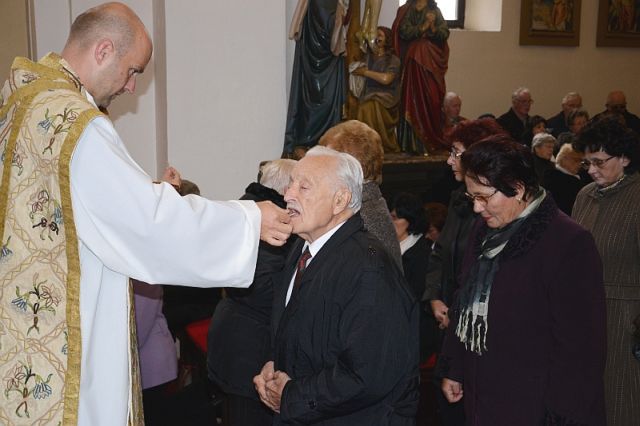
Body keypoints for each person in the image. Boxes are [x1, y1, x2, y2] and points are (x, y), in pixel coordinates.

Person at [0, 3, 292, 425]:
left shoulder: (23, 102)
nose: (132, 86)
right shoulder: (75, 124)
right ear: (103, 50)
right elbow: (149, 225)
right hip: (63, 342)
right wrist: (250, 220)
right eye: (132, 71)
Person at [440, 136, 606, 424]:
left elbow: (581, 348)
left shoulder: (568, 242)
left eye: (483, 197)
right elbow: (463, 297)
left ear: (517, 189)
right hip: (484, 394)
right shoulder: (484, 230)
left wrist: (559, 414)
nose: (477, 208)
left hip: (534, 403)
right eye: (472, 197)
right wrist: (455, 368)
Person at [254, 146, 420, 425]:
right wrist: (274, 368)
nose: (288, 194)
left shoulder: (369, 269)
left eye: (303, 187)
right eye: (291, 183)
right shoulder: (301, 248)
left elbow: (367, 374)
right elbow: (297, 330)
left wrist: (293, 396)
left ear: (340, 200)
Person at [425, 118, 506, 426]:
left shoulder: (496, 209)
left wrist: (458, 311)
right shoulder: (459, 199)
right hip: (449, 322)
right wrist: (435, 297)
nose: (449, 160)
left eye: (456, 152)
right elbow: (440, 253)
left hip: (477, 332)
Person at [207, 159, 297, 426]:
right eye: (299, 185)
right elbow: (261, 288)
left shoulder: (248, 209)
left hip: (238, 332)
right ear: (285, 190)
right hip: (250, 343)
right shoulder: (266, 222)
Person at [571, 117, 640, 425]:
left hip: (626, 321)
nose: (592, 170)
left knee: (622, 402)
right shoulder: (584, 195)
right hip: (584, 314)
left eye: (599, 162)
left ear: (624, 158)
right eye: (587, 163)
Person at [318, 120, 403, 270]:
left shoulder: (361, 215)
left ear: (351, 167)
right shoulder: (366, 203)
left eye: (326, 162)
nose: (319, 170)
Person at [283, 0, 349, 156]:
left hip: (329, 59)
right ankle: (307, 142)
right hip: (315, 56)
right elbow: (327, 23)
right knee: (314, 97)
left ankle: (325, 142)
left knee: (326, 99)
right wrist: (340, 16)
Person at [392, 0, 450, 155]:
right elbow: (403, 32)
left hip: (431, 60)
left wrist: (433, 26)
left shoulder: (435, 10)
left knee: (433, 98)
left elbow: (444, 33)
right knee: (412, 97)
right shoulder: (407, 9)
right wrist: (423, 26)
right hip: (414, 61)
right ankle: (411, 144)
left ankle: (432, 139)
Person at [390, 192, 435, 363]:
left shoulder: (423, 254)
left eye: (395, 217)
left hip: (413, 336)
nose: (390, 222)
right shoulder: (393, 248)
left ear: (410, 220)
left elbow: (415, 297)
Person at [352, 26, 401, 153]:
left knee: (368, 107)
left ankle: (376, 143)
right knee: (360, 106)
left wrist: (366, 72)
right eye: (375, 35)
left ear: (387, 39)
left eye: (380, 36)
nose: (377, 38)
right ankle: (365, 144)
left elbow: (386, 79)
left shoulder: (393, 60)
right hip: (369, 93)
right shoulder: (369, 57)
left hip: (387, 96)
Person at [542, 143, 585, 215]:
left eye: (581, 161)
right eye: (576, 160)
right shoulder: (554, 179)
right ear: (564, 159)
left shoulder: (551, 174)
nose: (580, 164)